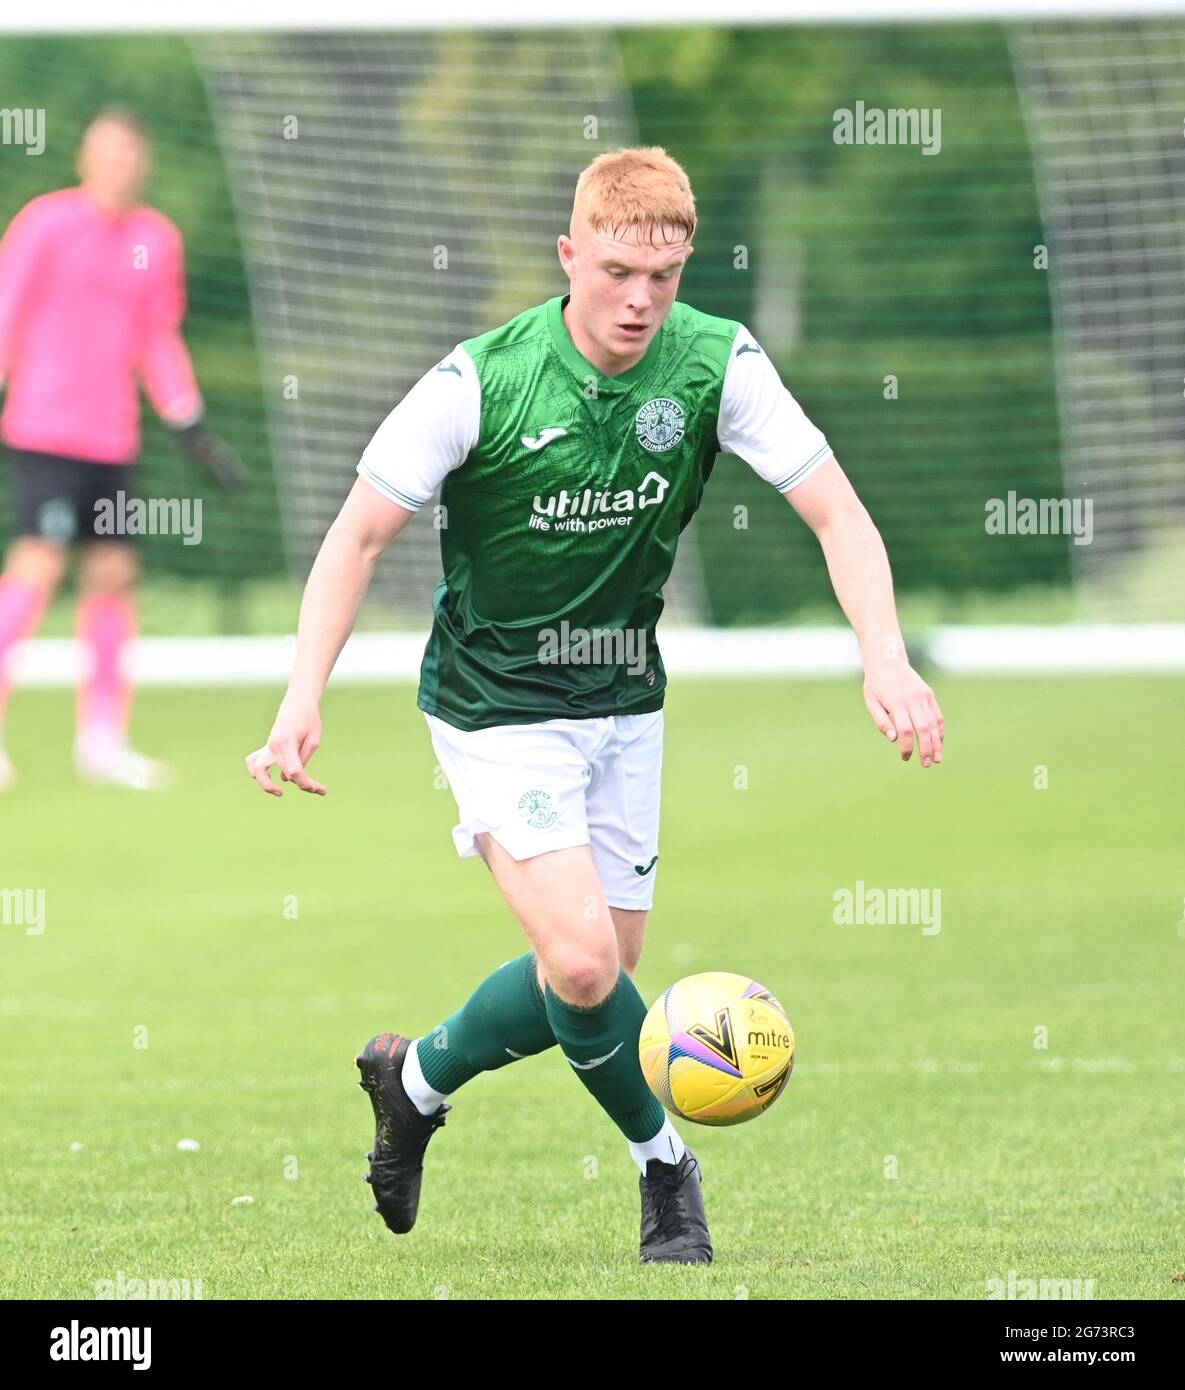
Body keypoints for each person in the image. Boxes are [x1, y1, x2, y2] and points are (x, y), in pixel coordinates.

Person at [244, 146, 944, 1264]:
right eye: (617, 270)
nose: (640, 300)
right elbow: (357, 534)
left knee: (589, 973)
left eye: (663, 277)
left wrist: (887, 658)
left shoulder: (720, 362)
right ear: (570, 254)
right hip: (494, 703)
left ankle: (413, 1078)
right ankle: (667, 1164)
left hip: (627, 699)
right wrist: (299, 697)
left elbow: (837, 514)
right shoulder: (479, 381)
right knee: (584, 966)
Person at [0, 107, 241, 792]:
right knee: (36, 570)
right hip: (45, 431)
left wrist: (189, 419)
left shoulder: (155, 240)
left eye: (130, 153)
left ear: (144, 163)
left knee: (111, 577)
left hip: (113, 440)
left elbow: (157, 339)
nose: (118, 164)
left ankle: (102, 741)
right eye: (106, 151)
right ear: (85, 157)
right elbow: (5, 311)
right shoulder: (44, 224)